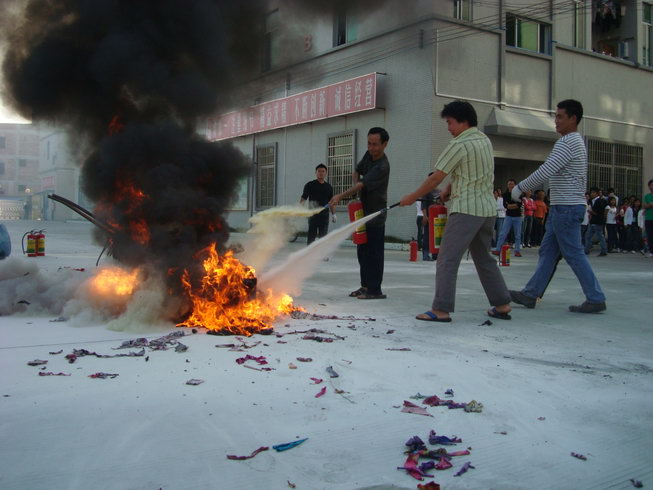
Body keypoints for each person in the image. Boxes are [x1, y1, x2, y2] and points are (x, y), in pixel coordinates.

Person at [399, 100, 511, 322]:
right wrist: (450, 189)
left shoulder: (459, 144)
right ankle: (502, 304)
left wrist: (411, 197)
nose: (448, 128)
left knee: (447, 259)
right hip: (487, 210)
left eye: (450, 122)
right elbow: (472, 172)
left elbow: (435, 178)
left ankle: (441, 310)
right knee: (485, 259)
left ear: (463, 121)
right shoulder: (484, 140)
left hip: (466, 209)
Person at [508, 99, 606, 313]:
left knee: (573, 254)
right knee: (548, 251)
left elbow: (546, 170)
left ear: (573, 118)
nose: (556, 121)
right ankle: (530, 294)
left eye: (560, 116)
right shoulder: (574, 141)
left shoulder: (568, 142)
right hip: (563, 208)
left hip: (566, 208)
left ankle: (595, 297)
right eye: (556, 116)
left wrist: (520, 188)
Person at [329, 127, 390, 300]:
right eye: (369, 143)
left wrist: (340, 196)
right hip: (361, 213)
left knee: (374, 254)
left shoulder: (382, 166)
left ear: (385, 144)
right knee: (362, 251)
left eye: (375, 144)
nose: (371, 148)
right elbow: (357, 171)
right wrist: (356, 189)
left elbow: (362, 184)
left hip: (375, 215)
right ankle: (365, 286)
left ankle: (375, 290)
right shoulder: (368, 155)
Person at [299, 163, 335, 245]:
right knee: (312, 235)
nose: (321, 173)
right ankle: (309, 251)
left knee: (323, 236)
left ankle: (322, 252)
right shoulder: (310, 185)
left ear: (326, 173)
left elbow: (331, 201)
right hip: (313, 215)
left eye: (323, 171)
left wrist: (334, 214)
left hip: (324, 216)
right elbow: (303, 198)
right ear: (316, 173)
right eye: (319, 171)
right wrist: (299, 209)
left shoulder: (329, 187)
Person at [492, 179, 523, 257]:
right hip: (508, 216)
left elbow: (519, 205)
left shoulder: (519, 194)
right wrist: (514, 205)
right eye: (509, 184)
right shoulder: (505, 195)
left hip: (518, 217)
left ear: (515, 185)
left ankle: (517, 251)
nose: (510, 185)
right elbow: (506, 206)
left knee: (517, 235)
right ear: (507, 185)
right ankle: (498, 250)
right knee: (503, 233)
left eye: (512, 184)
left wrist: (510, 205)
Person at [584, 186, 608, 256]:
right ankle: (586, 250)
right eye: (591, 192)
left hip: (597, 221)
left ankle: (604, 251)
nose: (592, 194)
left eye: (593, 192)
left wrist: (591, 211)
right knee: (588, 236)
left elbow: (600, 212)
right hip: (593, 221)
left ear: (597, 193)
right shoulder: (592, 201)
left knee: (600, 236)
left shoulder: (599, 201)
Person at [644, 179, 653, 258]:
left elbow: (649, 205)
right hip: (648, 218)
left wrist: (650, 204)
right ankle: (651, 251)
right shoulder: (647, 196)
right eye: (651, 185)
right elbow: (645, 206)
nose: (652, 187)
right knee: (649, 235)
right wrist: (649, 205)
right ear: (649, 186)